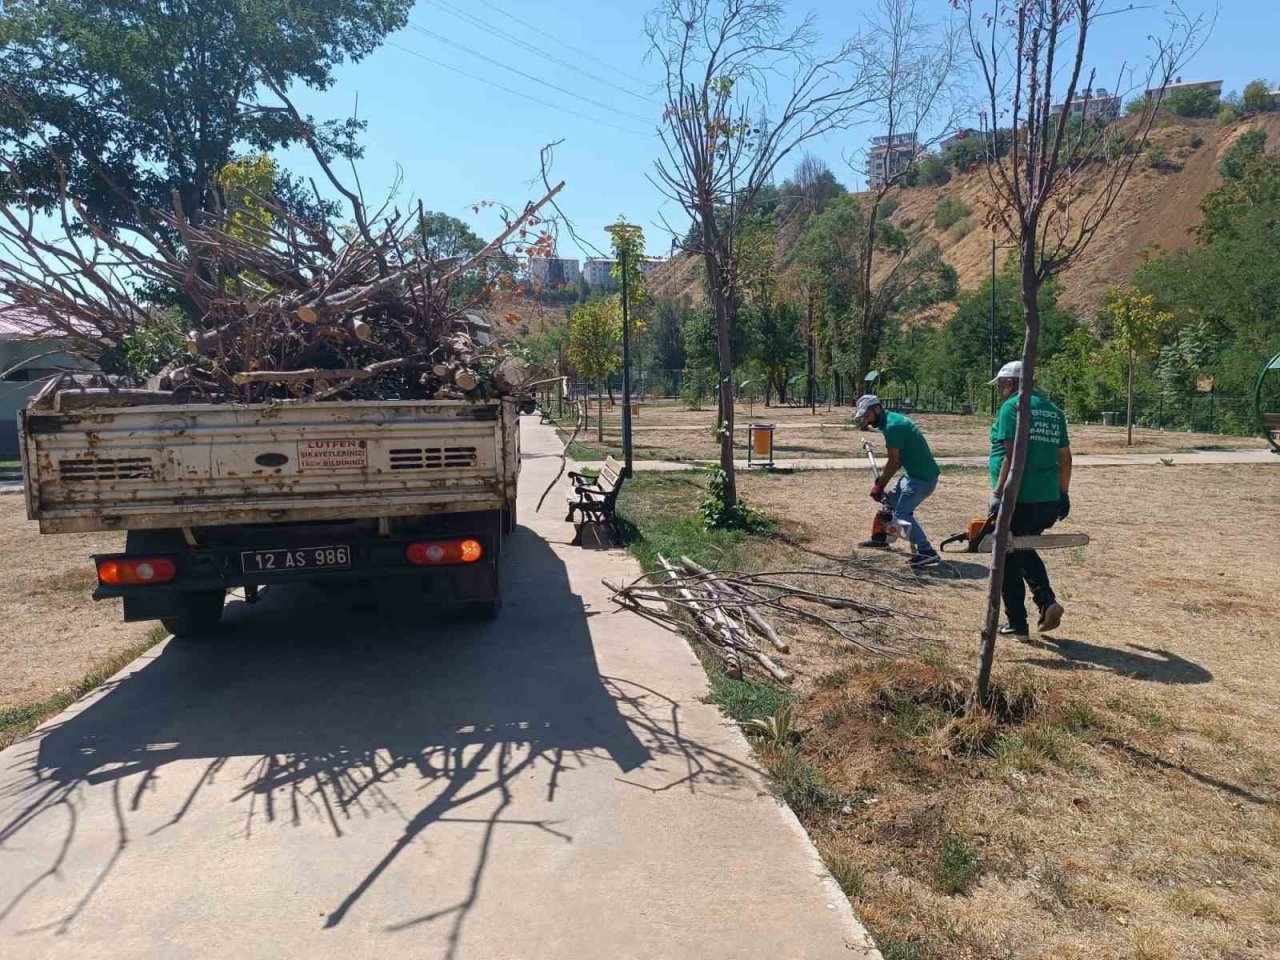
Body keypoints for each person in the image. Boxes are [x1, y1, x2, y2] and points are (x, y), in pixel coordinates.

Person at [988, 360, 1072, 640]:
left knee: (1008, 555)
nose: (1000, 392)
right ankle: (1045, 603)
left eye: (1001, 386)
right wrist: (1063, 493)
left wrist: (999, 495)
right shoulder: (1053, 410)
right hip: (1047, 497)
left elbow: (1013, 457)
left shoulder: (1012, 407)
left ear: (1010, 384)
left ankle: (1019, 623)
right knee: (1021, 548)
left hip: (1019, 497)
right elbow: (1065, 457)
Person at [853, 394, 941, 569]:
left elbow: (894, 461)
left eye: (868, 416)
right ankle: (881, 539)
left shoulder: (893, 426)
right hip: (912, 475)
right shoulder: (891, 420)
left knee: (902, 514)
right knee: (889, 503)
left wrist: (880, 484)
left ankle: (927, 552)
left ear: (877, 409)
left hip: (921, 479)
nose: (867, 422)